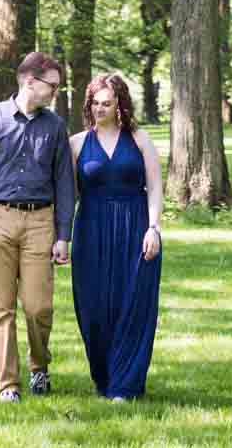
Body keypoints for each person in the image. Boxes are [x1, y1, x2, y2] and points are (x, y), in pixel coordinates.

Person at [0, 51, 76, 404]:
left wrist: (64, 234)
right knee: (2, 306)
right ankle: (8, 384)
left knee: (39, 307)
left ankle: (39, 366)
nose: (55, 91)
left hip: (41, 221)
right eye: (52, 85)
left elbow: (65, 184)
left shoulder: (55, 126)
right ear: (30, 81)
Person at [70, 72, 162, 402]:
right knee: (94, 306)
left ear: (120, 104)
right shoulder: (78, 144)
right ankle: (103, 377)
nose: (100, 109)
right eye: (94, 103)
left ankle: (126, 383)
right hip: (91, 230)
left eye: (106, 103)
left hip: (135, 228)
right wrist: (59, 237)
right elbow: (70, 197)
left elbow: (154, 187)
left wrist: (154, 228)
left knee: (133, 303)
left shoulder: (138, 138)